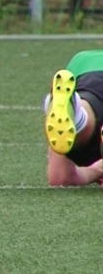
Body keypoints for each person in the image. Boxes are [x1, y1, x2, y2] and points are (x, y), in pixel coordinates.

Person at [43, 51, 103, 186]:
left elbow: (59, 178)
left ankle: (78, 115)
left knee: (62, 179)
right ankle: (78, 117)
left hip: (86, 66)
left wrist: (96, 170)